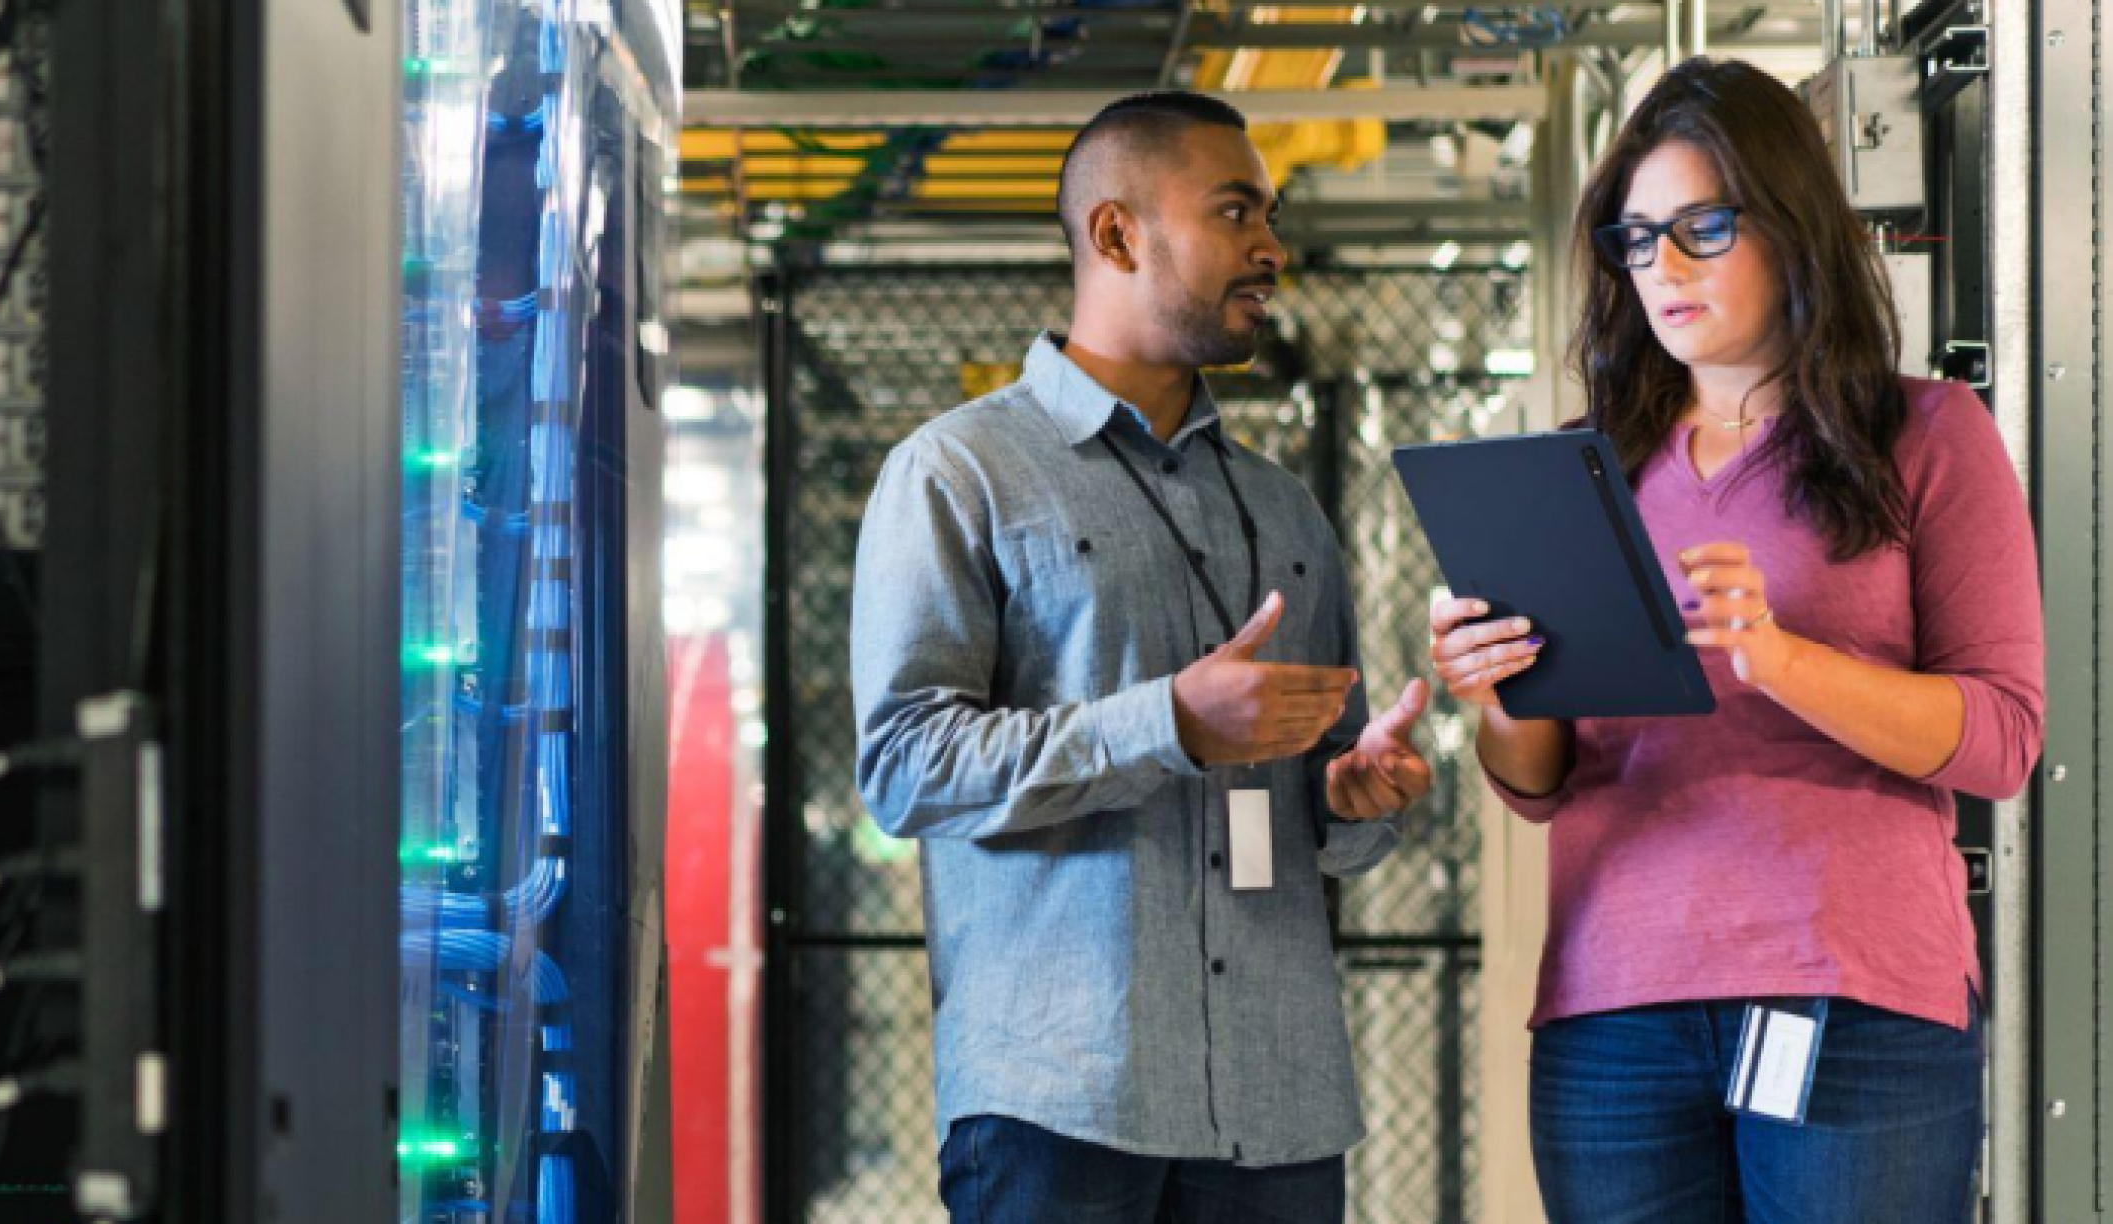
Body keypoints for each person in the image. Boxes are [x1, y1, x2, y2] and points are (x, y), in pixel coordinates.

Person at [1429, 57, 2044, 1223]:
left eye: (1700, 228)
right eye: (1634, 237)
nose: (1659, 266)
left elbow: (2002, 740)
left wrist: (1781, 660)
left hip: (1849, 1003)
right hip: (1612, 1008)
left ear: (1792, 226)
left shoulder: (1924, 435)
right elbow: (1538, 784)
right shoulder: (1579, 464)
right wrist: (1501, 694)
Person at [851, 91, 1436, 1224]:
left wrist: (1358, 801)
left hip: (1279, 1108)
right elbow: (905, 766)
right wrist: (1162, 723)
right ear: (1116, 234)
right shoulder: (958, 475)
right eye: (1234, 213)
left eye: (1269, 214)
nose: (1271, 247)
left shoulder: (1285, 513)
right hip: (1059, 1107)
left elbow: (1332, 823)